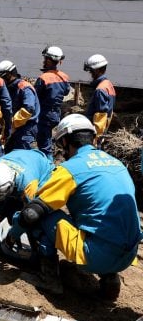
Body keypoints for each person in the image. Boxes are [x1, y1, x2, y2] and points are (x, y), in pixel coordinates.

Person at [10, 114, 142, 300]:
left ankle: (49, 279)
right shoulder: (117, 164)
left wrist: (13, 234)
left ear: (64, 141)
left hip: (96, 257)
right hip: (129, 256)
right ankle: (110, 280)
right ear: (93, 138)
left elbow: (31, 214)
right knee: (100, 220)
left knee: (43, 213)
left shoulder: (70, 169)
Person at [0, 149, 53, 238]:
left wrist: (14, 235)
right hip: (20, 156)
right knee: (2, 202)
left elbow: (30, 213)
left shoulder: (29, 184)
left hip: (42, 167)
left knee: (35, 214)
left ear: (12, 183)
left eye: (1, 193)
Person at [0, 60, 39, 151]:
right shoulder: (7, 88)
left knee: (22, 155)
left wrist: (12, 125)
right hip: (14, 128)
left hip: (26, 129)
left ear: (9, 75)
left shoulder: (24, 87)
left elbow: (28, 109)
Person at [34, 46, 71, 156]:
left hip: (44, 115)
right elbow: (66, 92)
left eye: (45, 59)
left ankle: (47, 165)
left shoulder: (44, 78)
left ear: (49, 60)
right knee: (47, 138)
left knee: (44, 145)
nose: (44, 61)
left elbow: (35, 97)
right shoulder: (64, 77)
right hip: (56, 114)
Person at [83, 54, 115, 138]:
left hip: (97, 132)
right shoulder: (108, 84)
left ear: (97, 70)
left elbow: (101, 115)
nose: (90, 74)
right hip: (103, 129)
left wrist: (96, 136)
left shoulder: (100, 89)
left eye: (91, 71)